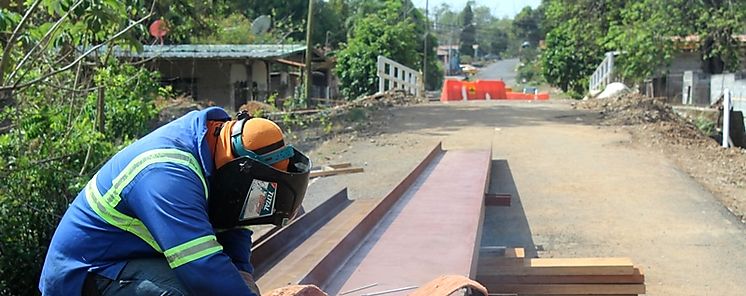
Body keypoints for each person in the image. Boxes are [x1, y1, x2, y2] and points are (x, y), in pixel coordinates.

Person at [39, 107, 311, 296]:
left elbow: (233, 225)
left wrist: (243, 275)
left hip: (130, 261)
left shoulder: (215, 153)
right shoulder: (166, 174)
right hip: (86, 275)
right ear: (242, 168)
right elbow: (201, 267)